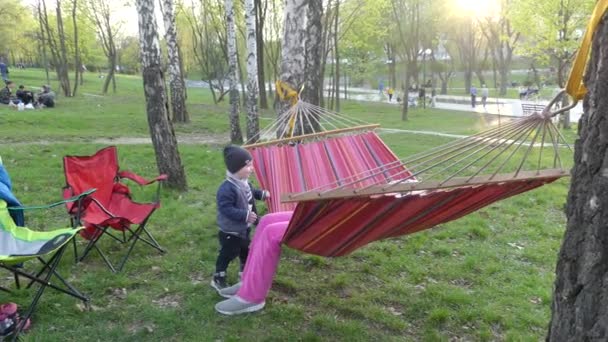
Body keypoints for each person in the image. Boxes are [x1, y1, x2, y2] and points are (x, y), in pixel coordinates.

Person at [212, 145, 270, 293]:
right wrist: (244, 215)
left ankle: (244, 273)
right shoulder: (226, 189)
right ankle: (218, 276)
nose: (251, 168)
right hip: (230, 231)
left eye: (251, 165)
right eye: (248, 166)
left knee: (245, 250)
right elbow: (226, 209)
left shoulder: (244, 182)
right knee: (228, 253)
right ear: (236, 168)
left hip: (244, 228)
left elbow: (251, 192)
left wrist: (261, 194)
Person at [214, 211, 293, 315]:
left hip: (320, 226)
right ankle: (247, 283)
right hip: (317, 212)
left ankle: (252, 297)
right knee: (266, 220)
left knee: (271, 232)